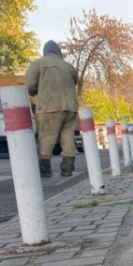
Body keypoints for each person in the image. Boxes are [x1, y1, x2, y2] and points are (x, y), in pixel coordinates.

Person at [24, 40, 79, 177]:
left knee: (46, 137)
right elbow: (75, 81)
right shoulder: (69, 66)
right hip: (70, 107)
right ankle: (67, 169)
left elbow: (29, 85)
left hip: (50, 106)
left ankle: (45, 170)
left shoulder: (39, 63)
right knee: (67, 136)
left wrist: (36, 91)